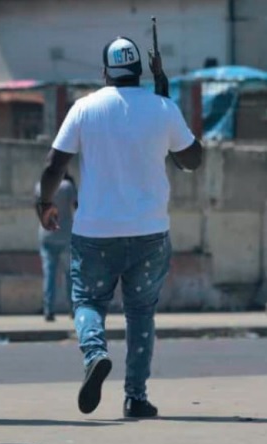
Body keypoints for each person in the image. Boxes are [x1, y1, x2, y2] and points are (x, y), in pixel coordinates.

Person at [37, 36, 203, 419]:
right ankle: (136, 397)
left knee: (88, 302)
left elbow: (53, 165)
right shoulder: (163, 108)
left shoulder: (84, 108)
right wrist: (165, 98)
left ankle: (95, 353)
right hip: (150, 232)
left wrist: (45, 203)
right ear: (141, 71)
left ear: (105, 73)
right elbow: (192, 160)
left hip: (95, 232)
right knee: (141, 312)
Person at [35, 173, 76, 322]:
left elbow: (37, 208)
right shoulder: (68, 186)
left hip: (46, 234)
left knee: (49, 274)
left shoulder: (40, 186)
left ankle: (48, 310)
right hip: (66, 233)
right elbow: (76, 206)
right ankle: (73, 308)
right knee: (70, 274)